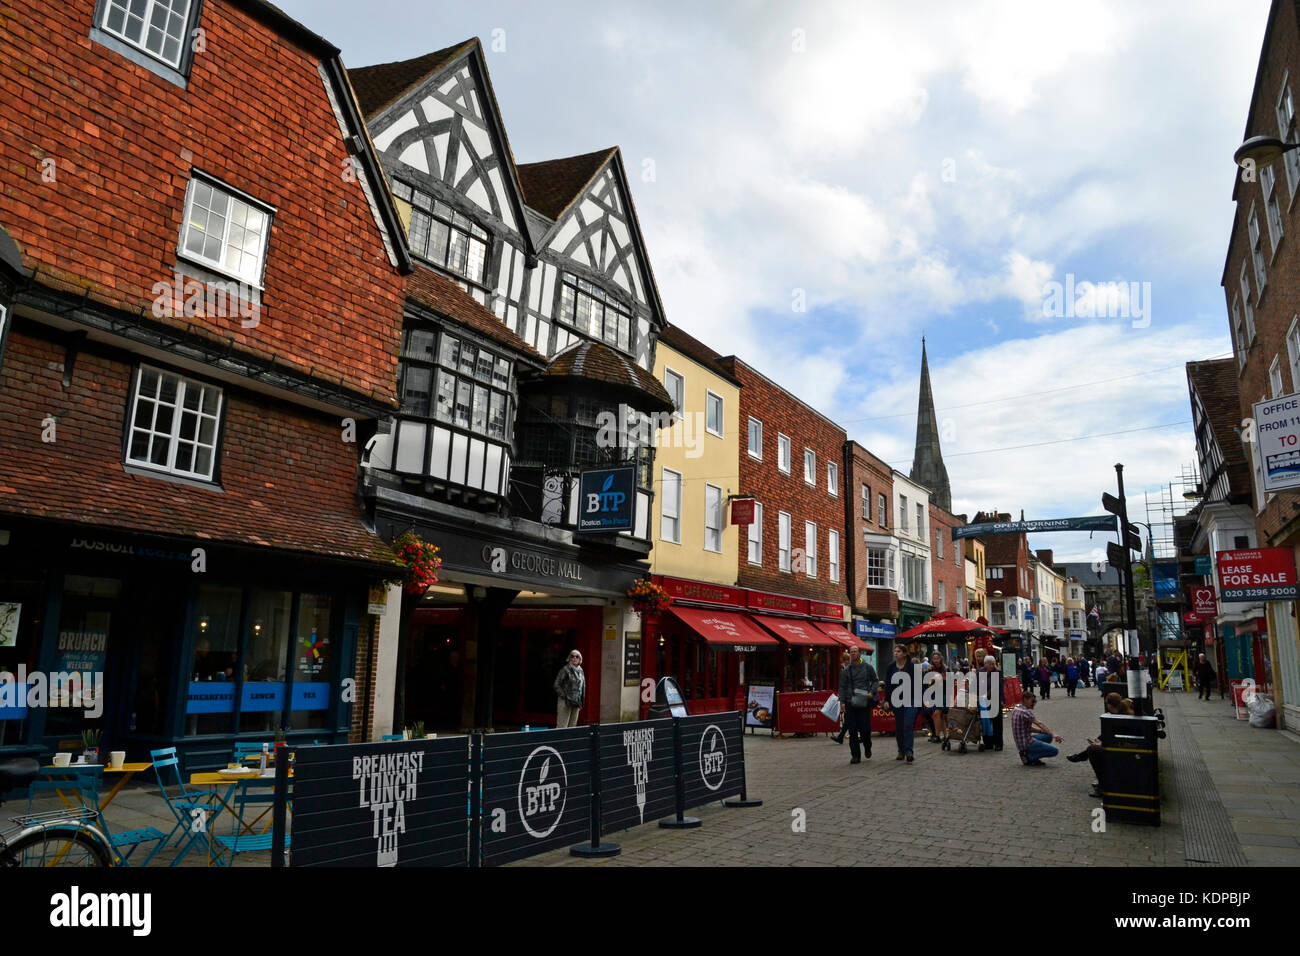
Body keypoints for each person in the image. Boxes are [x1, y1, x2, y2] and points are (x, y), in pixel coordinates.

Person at [1067, 693, 1126, 796]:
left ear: (1110, 705)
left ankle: (1103, 784)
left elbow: (1114, 737)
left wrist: (1101, 743)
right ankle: (1081, 756)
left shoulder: (1118, 718)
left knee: (1092, 750)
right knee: (1094, 747)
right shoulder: (1121, 715)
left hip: (1120, 751)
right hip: (1122, 747)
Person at [837, 646, 879, 764]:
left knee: (865, 729)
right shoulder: (847, 670)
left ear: (860, 654)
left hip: (864, 701)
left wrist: (872, 691)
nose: (853, 654)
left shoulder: (867, 667)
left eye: (855, 652)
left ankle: (867, 746)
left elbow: (875, 680)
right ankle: (855, 755)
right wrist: (842, 702)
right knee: (852, 730)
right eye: (851, 652)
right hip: (850, 702)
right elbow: (842, 687)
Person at [885, 644, 919, 763]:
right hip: (896, 700)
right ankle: (901, 750)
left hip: (911, 699)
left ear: (905, 654)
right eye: (895, 651)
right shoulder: (891, 667)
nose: (896, 653)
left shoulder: (912, 667)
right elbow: (888, 685)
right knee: (899, 726)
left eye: (898, 651)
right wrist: (886, 700)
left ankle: (909, 751)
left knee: (908, 724)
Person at [1011, 691, 1063, 765]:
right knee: (1054, 751)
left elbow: (1026, 728)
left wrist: (1041, 731)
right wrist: (1054, 734)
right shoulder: (1026, 712)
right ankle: (1030, 757)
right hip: (1026, 743)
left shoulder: (1016, 709)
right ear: (1025, 699)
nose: (1033, 703)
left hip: (1021, 742)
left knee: (1048, 736)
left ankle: (1028, 753)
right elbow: (1039, 723)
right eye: (1032, 701)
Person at [553, 649, 585, 727]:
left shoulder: (581, 671)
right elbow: (556, 685)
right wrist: (565, 696)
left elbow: (583, 687)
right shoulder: (565, 669)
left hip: (576, 702)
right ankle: (559, 739)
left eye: (577, 656)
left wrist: (581, 702)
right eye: (572, 656)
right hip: (565, 702)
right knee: (562, 726)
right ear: (569, 658)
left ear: (580, 659)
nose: (574, 658)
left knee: (572, 726)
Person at [922, 651, 949, 744]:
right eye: (934, 659)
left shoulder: (946, 669)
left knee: (942, 715)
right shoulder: (929, 670)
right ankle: (940, 736)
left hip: (944, 694)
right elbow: (925, 685)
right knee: (937, 714)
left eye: (937, 658)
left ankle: (943, 735)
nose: (936, 660)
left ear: (941, 659)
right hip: (934, 695)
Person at [980, 653, 1004, 750]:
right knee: (986, 722)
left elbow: (996, 687)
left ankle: (998, 743)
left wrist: (986, 695)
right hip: (983, 701)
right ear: (985, 664)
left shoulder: (998, 672)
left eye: (992, 664)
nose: (991, 666)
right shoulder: (981, 672)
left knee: (997, 723)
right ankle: (988, 743)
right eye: (988, 663)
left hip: (995, 699)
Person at [833, 648, 853, 744]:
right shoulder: (843, 670)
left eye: (847, 660)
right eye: (844, 660)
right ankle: (841, 737)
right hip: (847, 697)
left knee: (849, 718)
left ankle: (841, 737)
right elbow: (842, 685)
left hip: (852, 697)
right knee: (848, 718)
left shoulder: (852, 669)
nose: (845, 662)